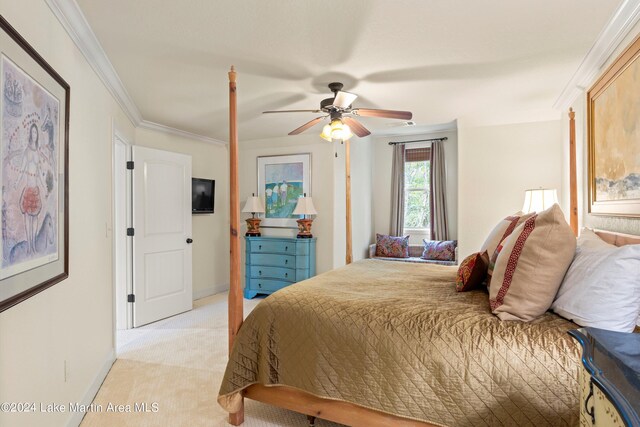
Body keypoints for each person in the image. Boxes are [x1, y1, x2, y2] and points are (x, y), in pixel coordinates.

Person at [15, 123, 46, 255]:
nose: (34, 135)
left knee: (35, 219)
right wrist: (17, 182)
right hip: (28, 190)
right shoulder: (27, 151)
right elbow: (22, 169)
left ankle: (33, 246)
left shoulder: (37, 152)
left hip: (36, 190)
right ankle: (28, 248)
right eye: (32, 132)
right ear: (30, 134)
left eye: (36, 133)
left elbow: (39, 172)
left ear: (37, 135)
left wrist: (44, 186)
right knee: (28, 218)